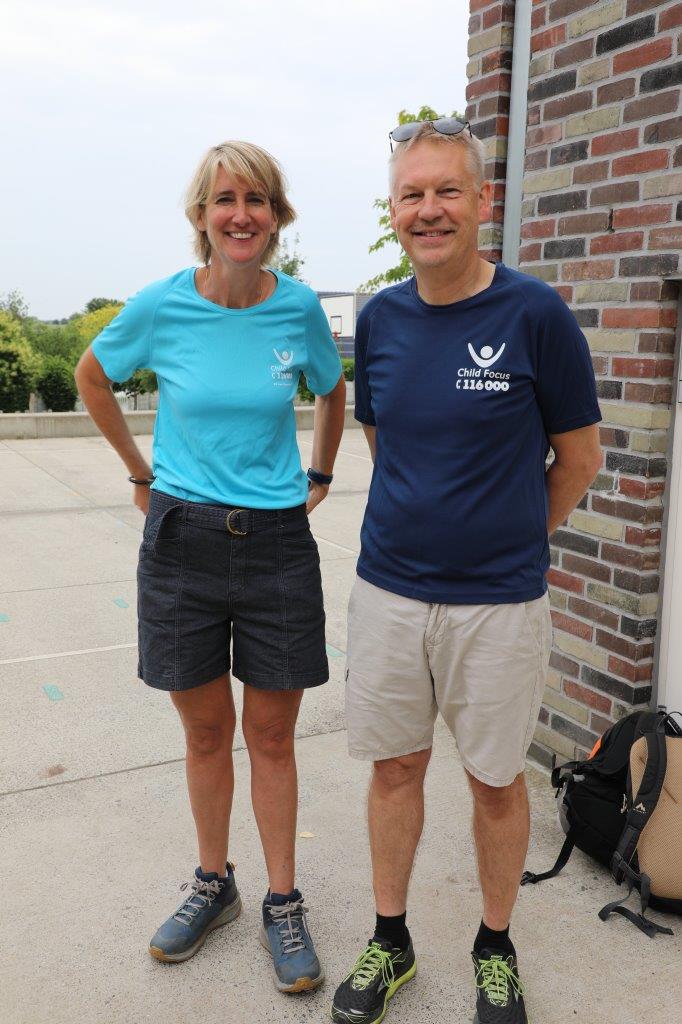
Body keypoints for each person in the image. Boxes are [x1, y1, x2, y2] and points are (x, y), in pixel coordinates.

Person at [331, 119, 602, 1024]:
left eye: (447, 190)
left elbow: (579, 459)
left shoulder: (535, 315)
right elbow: (386, 441)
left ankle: (495, 947)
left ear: (482, 200)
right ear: (394, 210)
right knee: (395, 770)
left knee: (495, 782)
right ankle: (391, 939)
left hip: (498, 606)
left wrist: (513, 538)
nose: (429, 209)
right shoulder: (380, 318)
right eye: (412, 194)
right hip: (389, 593)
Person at [75, 140, 346, 994]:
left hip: (276, 546)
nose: (241, 214)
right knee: (202, 734)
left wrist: (320, 474)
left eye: (257, 200)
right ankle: (212, 884)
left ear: (277, 217)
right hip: (181, 542)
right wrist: (139, 474)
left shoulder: (297, 308)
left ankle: (282, 901)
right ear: (201, 214)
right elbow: (92, 376)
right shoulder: (162, 305)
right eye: (225, 199)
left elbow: (332, 388)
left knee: (270, 737)